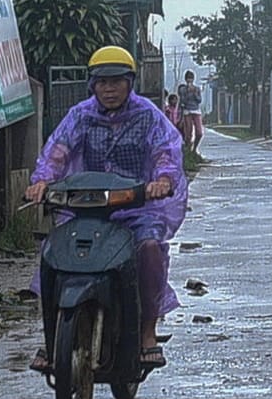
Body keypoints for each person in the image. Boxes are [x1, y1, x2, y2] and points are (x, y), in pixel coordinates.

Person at [26, 45, 187, 369]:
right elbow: (57, 150)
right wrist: (43, 180)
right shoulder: (80, 115)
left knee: (151, 249)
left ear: (130, 82)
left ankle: (147, 332)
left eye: (116, 82)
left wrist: (163, 180)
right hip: (86, 207)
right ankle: (51, 336)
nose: (109, 89)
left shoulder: (148, 116)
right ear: (92, 85)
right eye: (102, 82)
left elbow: (165, 152)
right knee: (53, 255)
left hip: (137, 208)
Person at [177, 70, 205, 156]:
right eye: (188, 79)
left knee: (199, 132)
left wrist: (194, 93)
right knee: (188, 133)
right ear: (186, 80)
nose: (189, 81)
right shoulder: (182, 89)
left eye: (191, 79)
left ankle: (195, 148)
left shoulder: (197, 89)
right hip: (187, 111)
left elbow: (199, 100)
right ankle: (188, 151)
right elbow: (182, 101)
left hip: (196, 110)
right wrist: (187, 92)